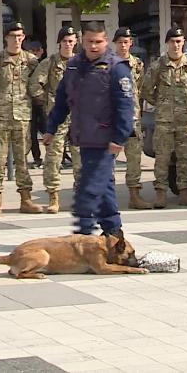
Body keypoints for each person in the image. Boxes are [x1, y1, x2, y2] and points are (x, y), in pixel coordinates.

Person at [43, 21, 134, 235]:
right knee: (103, 184)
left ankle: (85, 232)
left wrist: (119, 138)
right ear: (82, 41)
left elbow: (125, 106)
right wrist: (51, 128)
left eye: (99, 42)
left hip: (105, 138)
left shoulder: (116, 68)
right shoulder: (73, 66)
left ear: (105, 41)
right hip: (83, 136)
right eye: (90, 41)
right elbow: (62, 101)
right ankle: (112, 231)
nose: (94, 46)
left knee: (91, 185)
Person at [142, 28, 187, 208]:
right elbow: (146, 89)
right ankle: (160, 194)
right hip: (164, 121)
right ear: (167, 43)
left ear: (183, 43)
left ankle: (185, 193)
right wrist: (161, 103)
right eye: (173, 41)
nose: (176, 45)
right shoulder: (158, 65)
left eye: (179, 41)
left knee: (185, 158)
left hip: (185, 121)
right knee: (162, 158)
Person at [0, 21, 43, 215]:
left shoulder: (31, 61)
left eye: (19, 36)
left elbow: (37, 87)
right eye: (12, 36)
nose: (16, 40)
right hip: (1, 117)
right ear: (6, 38)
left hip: (23, 117)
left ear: (23, 38)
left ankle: (26, 198)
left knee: (22, 159)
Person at [29, 26, 81, 214]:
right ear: (59, 42)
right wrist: (48, 103)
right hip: (57, 117)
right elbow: (35, 85)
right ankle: (53, 197)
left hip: (78, 118)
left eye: (71, 41)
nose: (68, 44)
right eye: (65, 41)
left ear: (75, 42)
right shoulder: (50, 62)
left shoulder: (81, 62)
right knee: (53, 157)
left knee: (80, 158)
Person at [113, 27, 153, 209]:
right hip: (111, 118)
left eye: (126, 42)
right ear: (115, 43)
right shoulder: (107, 64)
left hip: (133, 118)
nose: (123, 45)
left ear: (131, 43)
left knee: (134, 158)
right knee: (108, 160)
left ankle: (134, 196)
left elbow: (141, 89)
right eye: (120, 42)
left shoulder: (137, 64)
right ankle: (107, 198)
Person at [26, 40, 47, 169]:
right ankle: (37, 158)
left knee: (47, 131)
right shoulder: (26, 66)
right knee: (33, 133)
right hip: (31, 103)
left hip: (41, 103)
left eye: (36, 51)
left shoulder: (44, 65)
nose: (34, 54)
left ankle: (54, 158)